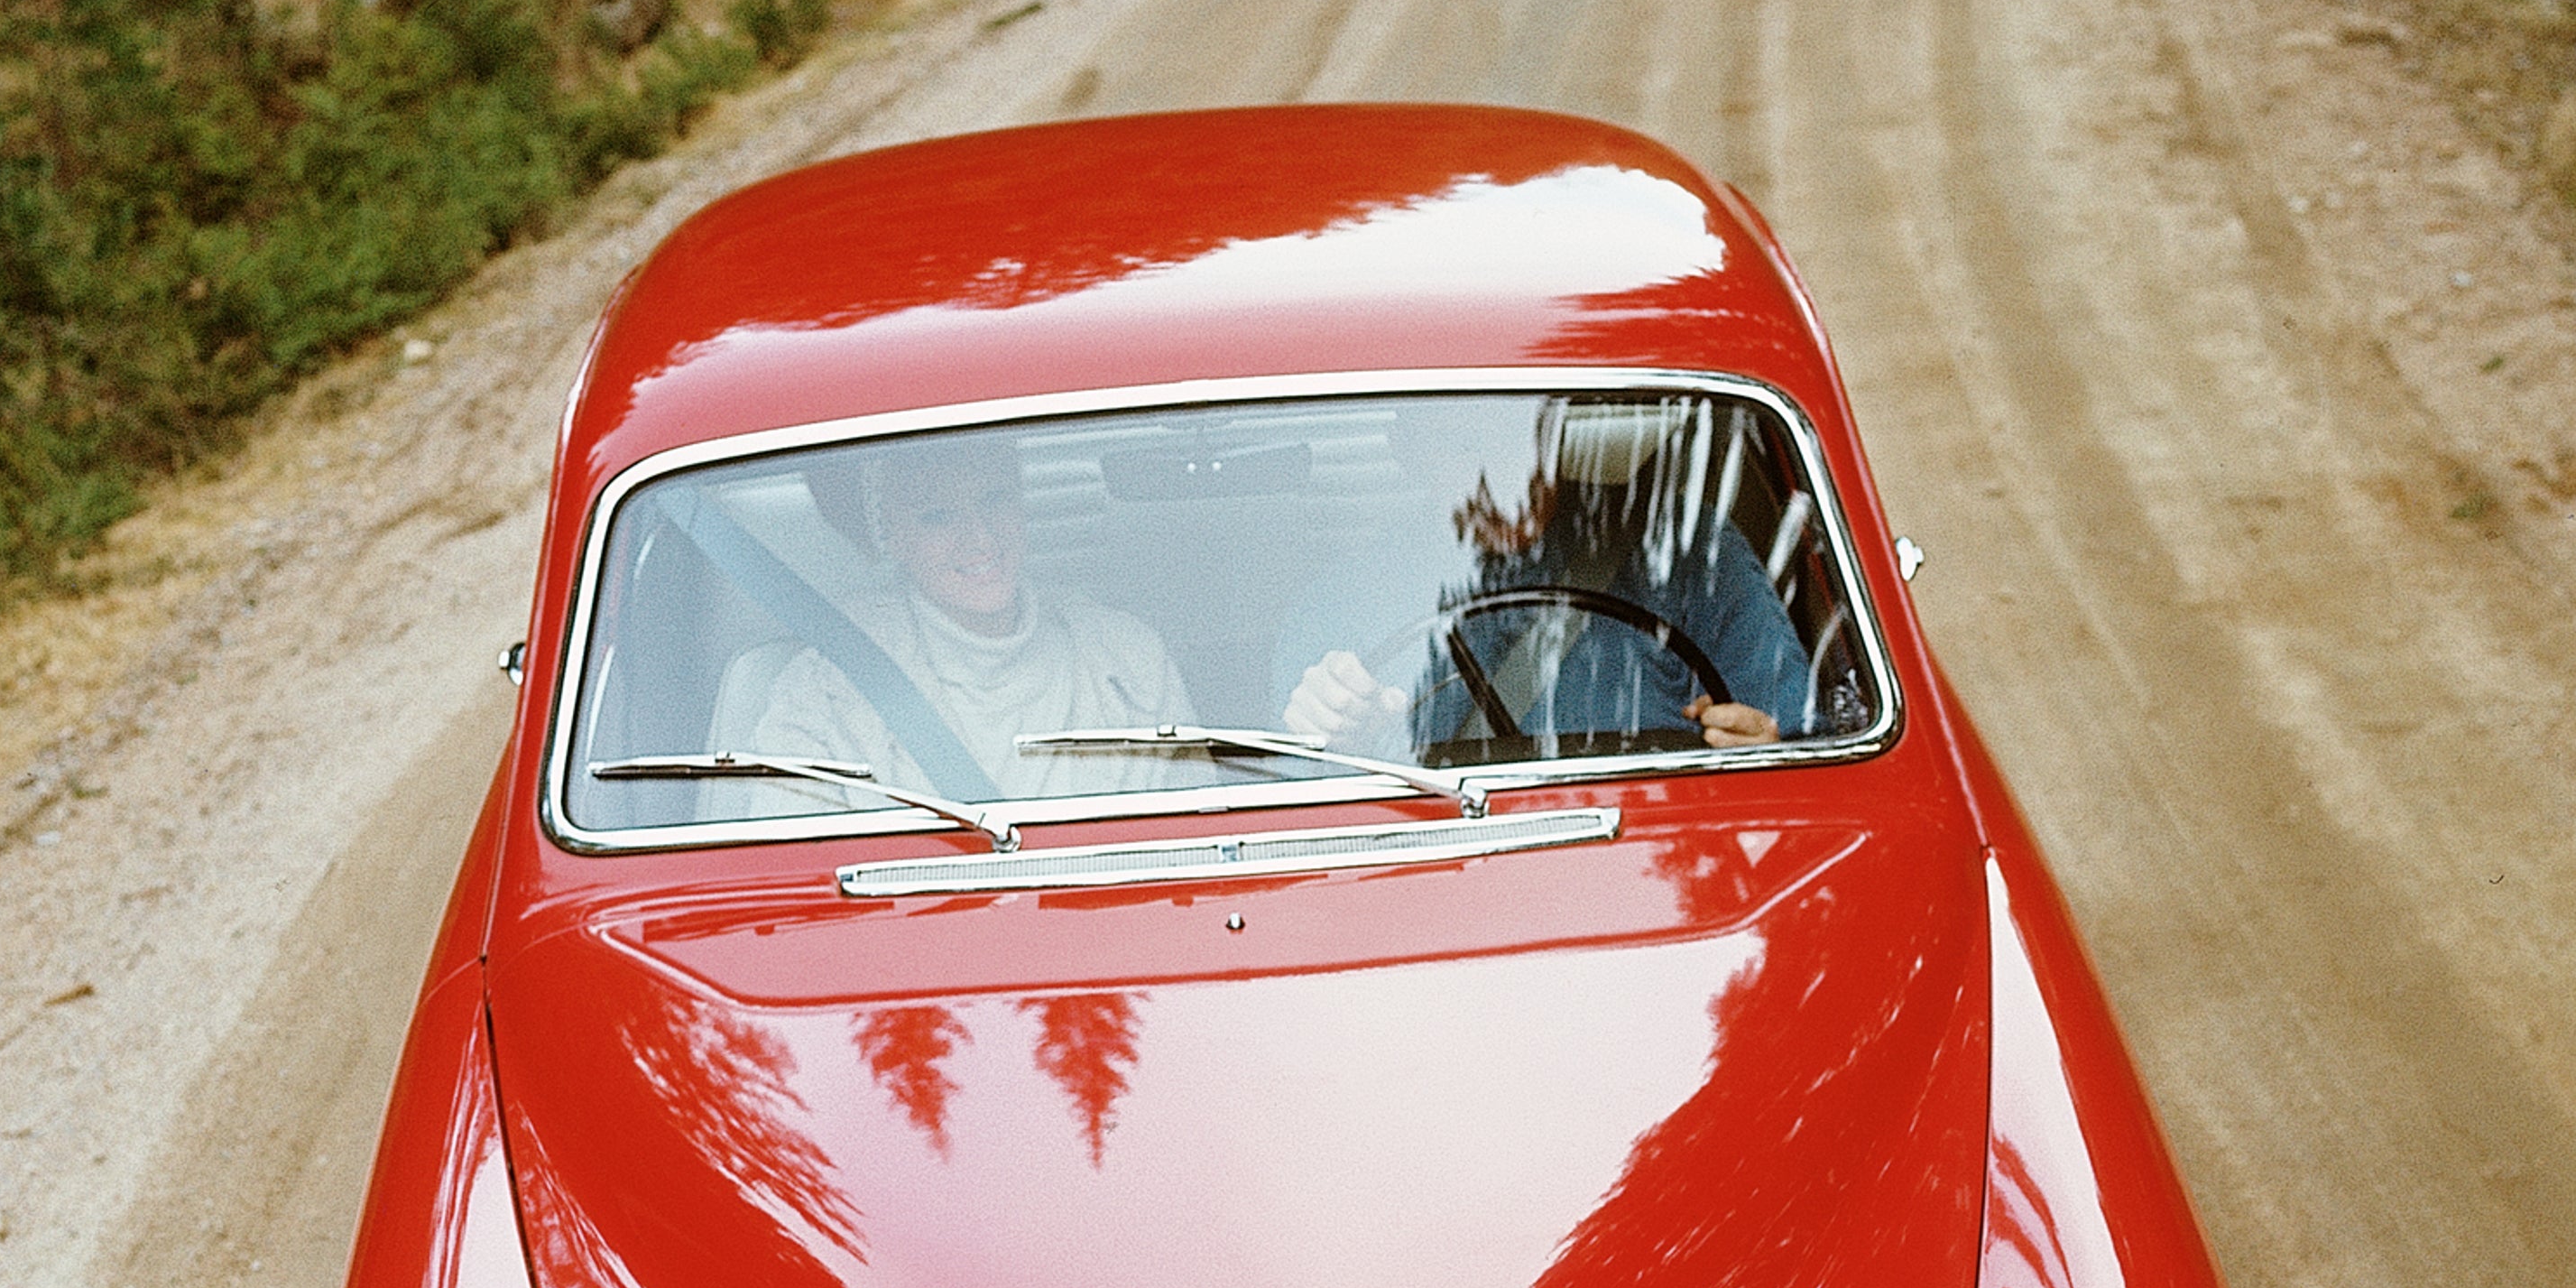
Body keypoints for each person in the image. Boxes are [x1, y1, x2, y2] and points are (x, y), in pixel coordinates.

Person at [1279, 403, 1816, 760]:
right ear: (1408, 452)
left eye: (1517, 434)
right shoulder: (1343, 603)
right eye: (1463, 446)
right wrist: (1327, 726)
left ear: (1558, 429)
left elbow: (1792, 741)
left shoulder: (1689, 550)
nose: (1508, 481)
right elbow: (1288, 791)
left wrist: (1759, 745)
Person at [734, 434, 1196, 797]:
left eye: (995, 499)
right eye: (936, 517)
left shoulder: (1127, 657)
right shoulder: (828, 691)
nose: (980, 539)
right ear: (890, 537)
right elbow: (802, 890)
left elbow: (1199, 843)